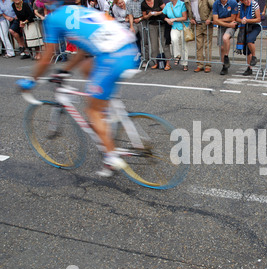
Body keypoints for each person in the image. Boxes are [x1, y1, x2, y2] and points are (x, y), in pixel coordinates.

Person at [16, 0, 139, 176]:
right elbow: (82, 51)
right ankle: (107, 111)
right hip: (129, 50)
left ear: (46, 6)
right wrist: (64, 70)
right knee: (87, 67)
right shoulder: (78, 10)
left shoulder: (52, 19)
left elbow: (46, 57)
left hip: (112, 58)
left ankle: (111, 158)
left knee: (92, 111)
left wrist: (31, 81)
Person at [142, 0, 172, 70]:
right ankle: (156, 62)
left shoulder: (158, 1)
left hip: (161, 24)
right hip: (152, 24)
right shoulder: (143, 3)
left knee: (164, 43)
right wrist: (148, 15)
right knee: (154, 45)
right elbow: (144, 16)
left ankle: (168, 63)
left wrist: (157, 13)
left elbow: (166, 9)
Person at [186, 0, 214, 73]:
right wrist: (191, 18)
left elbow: (214, 7)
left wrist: (209, 18)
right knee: (198, 46)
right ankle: (200, 65)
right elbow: (188, 11)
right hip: (197, 25)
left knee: (207, 45)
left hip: (206, 24)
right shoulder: (187, 1)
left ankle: (208, 65)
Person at [212, 0, 238, 75]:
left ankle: (226, 56)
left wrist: (219, 20)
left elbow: (232, 18)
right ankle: (224, 66)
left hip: (231, 26)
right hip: (224, 26)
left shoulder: (233, 3)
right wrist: (227, 24)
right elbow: (215, 19)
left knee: (225, 38)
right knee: (222, 47)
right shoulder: (216, 3)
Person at [163, 0, 190, 71]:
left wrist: (174, 19)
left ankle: (185, 64)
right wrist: (167, 20)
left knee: (184, 45)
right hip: (174, 26)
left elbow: (185, 17)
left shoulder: (182, 4)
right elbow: (162, 14)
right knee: (174, 39)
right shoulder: (168, 5)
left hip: (183, 26)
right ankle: (177, 55)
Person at [236, 0, 261, 76]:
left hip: (255, 26)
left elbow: (258, 19)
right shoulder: (239, 5)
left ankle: (254, 56)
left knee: (250, 40)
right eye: (246, 0)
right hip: (245, 26)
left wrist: (247, 20)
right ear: (242, 1)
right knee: (246, 48)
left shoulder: (254, 4)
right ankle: (249, 68)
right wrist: (242, 20)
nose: (248, 1)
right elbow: (237, 18)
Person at [127, 0, 149, 67]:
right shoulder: (129, 2)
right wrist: (131, 26)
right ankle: (132, 57)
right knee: (129, 38)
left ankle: (145, 60)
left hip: (142, 21)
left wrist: (140, 19)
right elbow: (130, 14)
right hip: (134, 22)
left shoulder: (142, 1)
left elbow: (146, 13)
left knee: (144, 41)